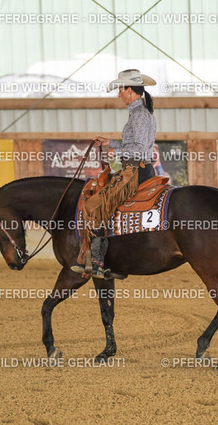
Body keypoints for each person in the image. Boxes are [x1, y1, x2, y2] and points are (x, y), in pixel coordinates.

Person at [74, 69, 157, 278]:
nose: (119, 94)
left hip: (134, 172)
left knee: (93, 206)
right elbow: (135, 144)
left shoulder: (139, 115)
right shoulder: (139, 113)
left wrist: (116, 151)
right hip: (136, 169)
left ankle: (97, 262)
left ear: (130, 90)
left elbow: (140, 150)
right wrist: (111, 143)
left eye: (121, 90)